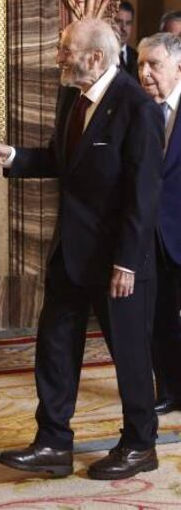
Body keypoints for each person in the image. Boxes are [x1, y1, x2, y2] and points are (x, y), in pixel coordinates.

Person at [0, 18, 164, 480]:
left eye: (65, 50)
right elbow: (59, 160)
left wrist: (127, 261)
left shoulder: (136, 107)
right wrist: (12, 157)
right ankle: (52, 443)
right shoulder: (73, 96)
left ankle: (141, 444)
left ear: (95, 58)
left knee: (129, 355)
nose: (59, 57)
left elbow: (142, 196)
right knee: (56, 346)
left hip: (119, 262)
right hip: (71, 251)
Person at [138, 33, 181, 415]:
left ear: (179, 68)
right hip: (151, 234)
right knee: (159, 317)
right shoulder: (138, 111)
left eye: (154, 64)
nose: (145, 73)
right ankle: (168, 388)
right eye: (140, 64)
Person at [115, 0, 139, 79]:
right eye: (118, 22)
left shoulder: (137, 57)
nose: (124, 28)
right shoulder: (101, 57)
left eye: (128, 23)